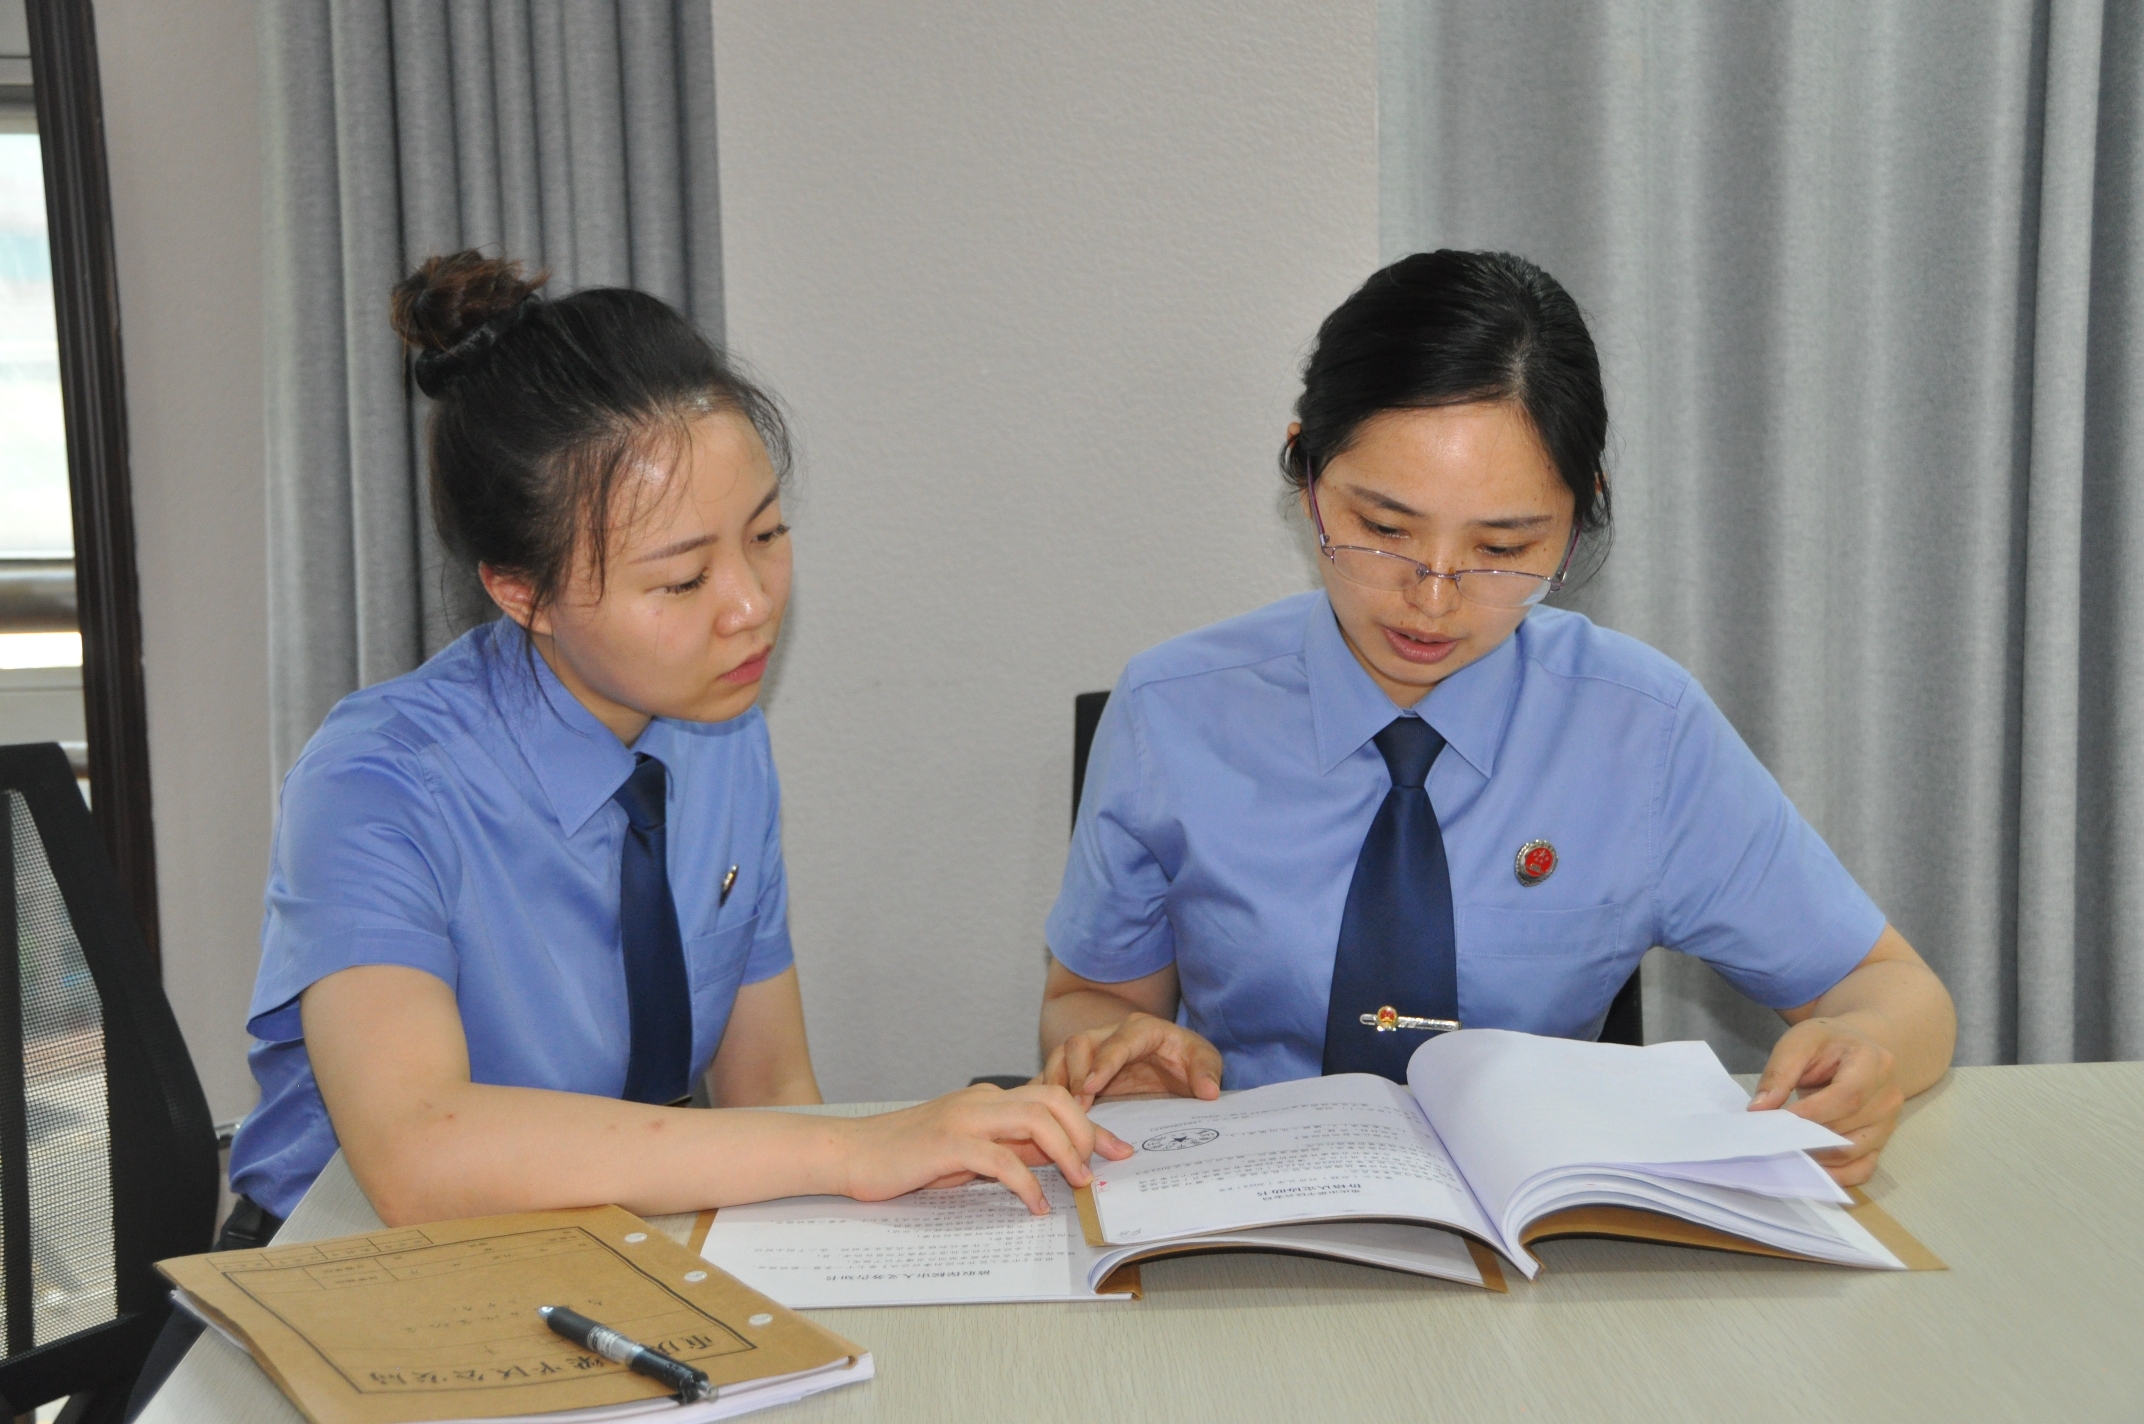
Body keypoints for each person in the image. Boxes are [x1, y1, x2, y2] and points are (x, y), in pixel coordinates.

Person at [224, 250, 1129, 1238]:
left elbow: (768, 1087)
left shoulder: (719, 735)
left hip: (603, 1247)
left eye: (766, 534)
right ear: (521, 592)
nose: (749, 606)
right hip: (348, 1270)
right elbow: (418, 1155)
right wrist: (855, 1147)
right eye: (682, 581)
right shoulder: (376, 783)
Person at [1037, 250, 1955, 1187]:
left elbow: (1892, 988)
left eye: (1504, 547)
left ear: (1580, 517)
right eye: (1384, 530)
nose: (1432, 600)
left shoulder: (1641, 732)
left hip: (1540, 1230)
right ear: (1305, 468)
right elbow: (1090, 998)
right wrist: (1121, 1058)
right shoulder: (1171, 713)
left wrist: (1867, 1053)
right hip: (1247, 1207)